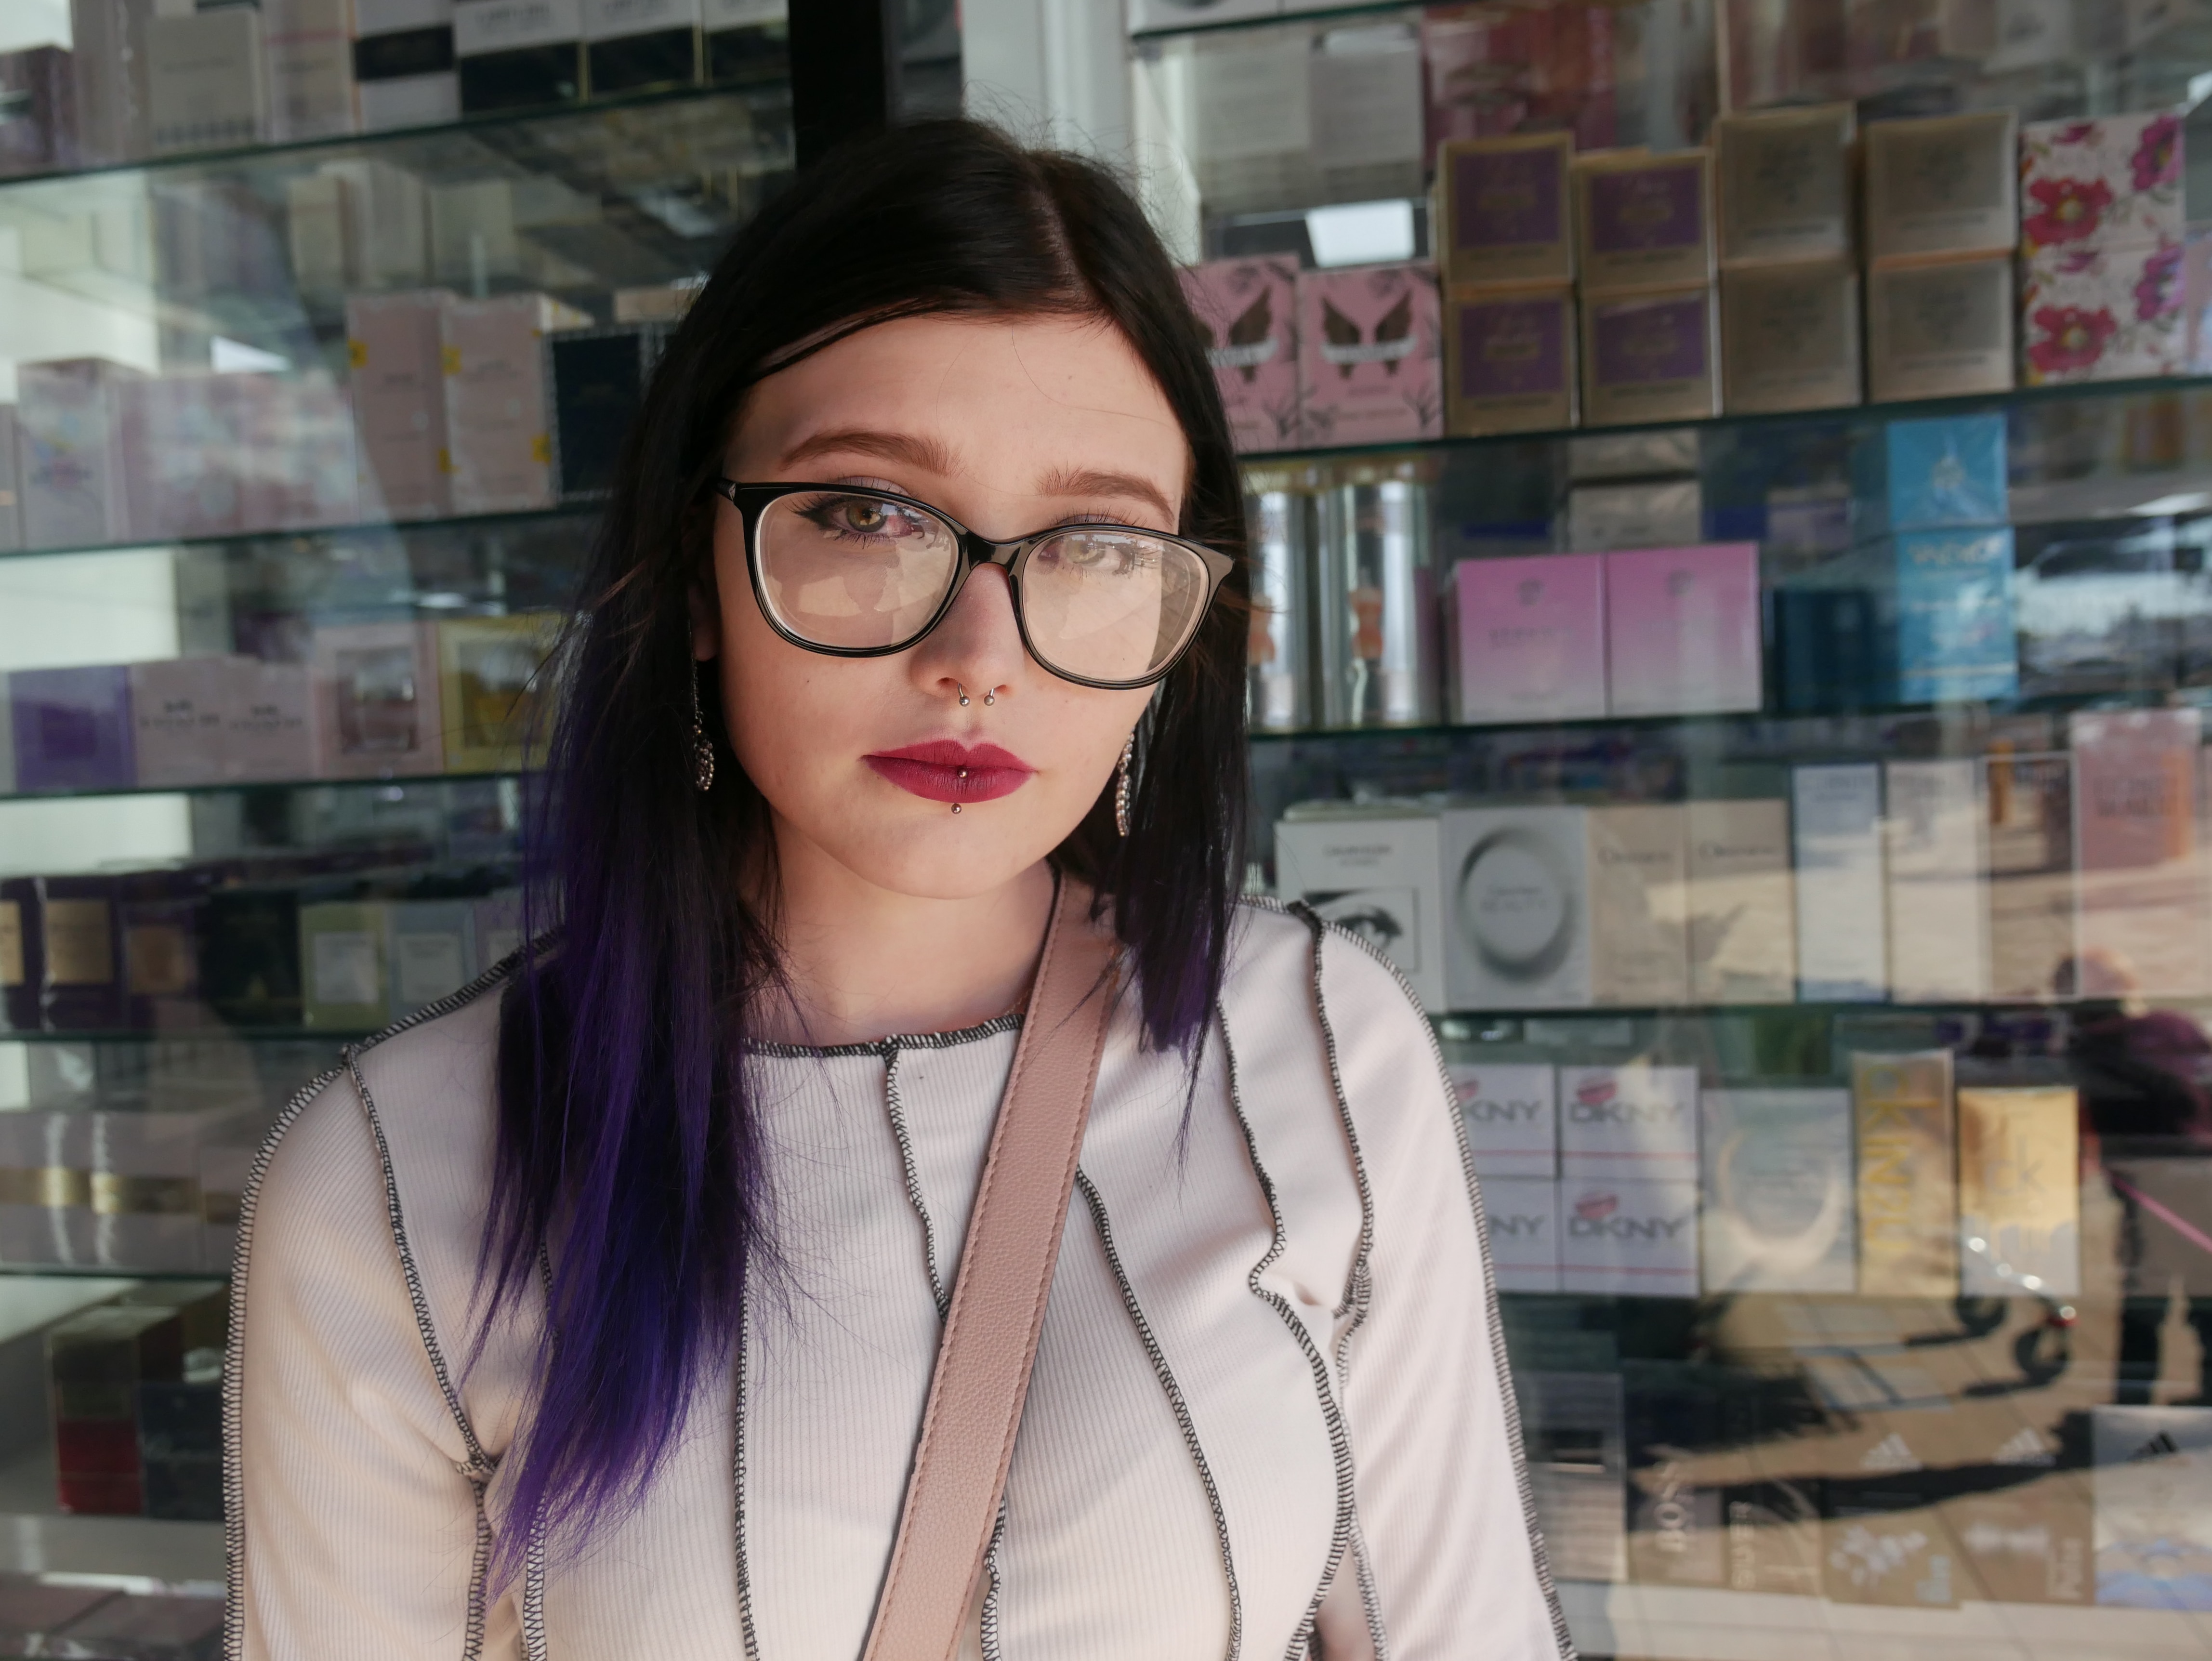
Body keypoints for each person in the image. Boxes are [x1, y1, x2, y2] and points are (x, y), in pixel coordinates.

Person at [226, 121, 1568, 1661]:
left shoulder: (1318, 1043)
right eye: (867, 514)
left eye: (1097, 543)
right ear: (699, 576)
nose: (981, 660)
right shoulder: (394, 1174)